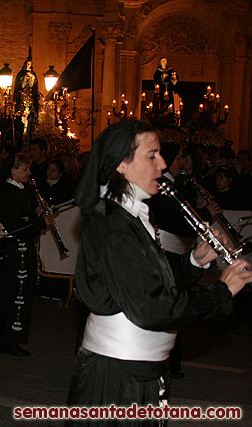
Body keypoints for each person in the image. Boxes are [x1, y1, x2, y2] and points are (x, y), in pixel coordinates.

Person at [66, 120, 252, 426]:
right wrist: (221, 292)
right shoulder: (114, 223)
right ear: (122, 164)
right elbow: (151, 307)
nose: (163, 164)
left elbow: (146, 276)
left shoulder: (130, 214)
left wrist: (194, 260)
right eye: (152, 155)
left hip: (137, 369)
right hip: (120, 375)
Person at [0, 152, 49, 356]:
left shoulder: (19, 190)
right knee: (10, 295)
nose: (29, 172)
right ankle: (7, 339)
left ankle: (2, 335)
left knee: (7, 294)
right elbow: (15, 223)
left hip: (18, 247)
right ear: (13, 170)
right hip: (12, 250)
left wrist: (37, 213)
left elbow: (23, 218)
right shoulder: (6, 191)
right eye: (25, 169)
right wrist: (39, 223)